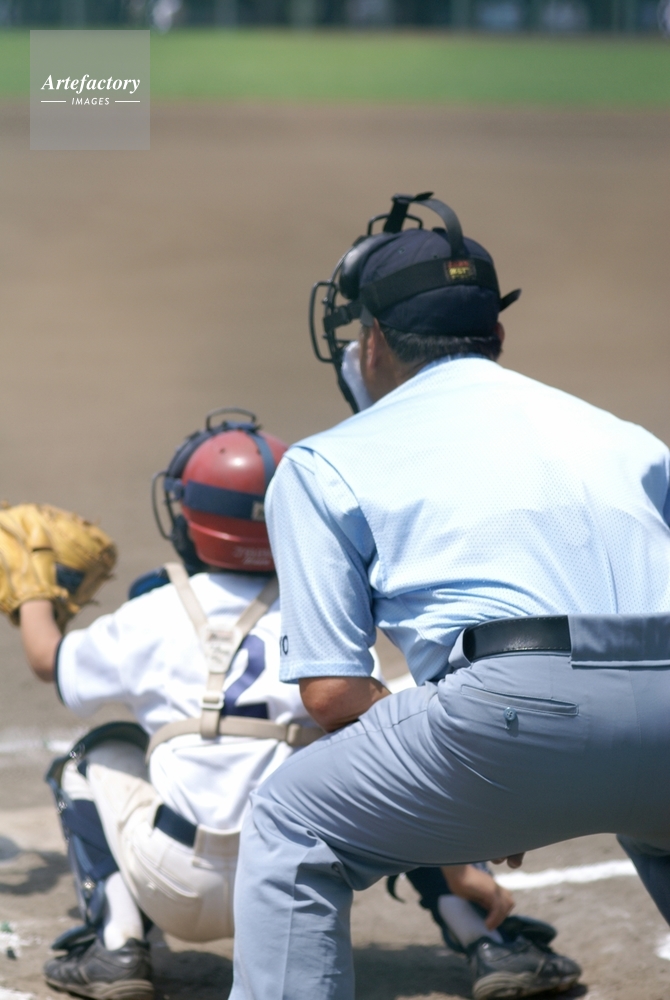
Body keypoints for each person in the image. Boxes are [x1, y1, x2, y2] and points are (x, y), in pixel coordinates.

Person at [229, 192, 670, 1000]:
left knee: (290, 822)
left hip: (510, 716)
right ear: (496, 333)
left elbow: (332, 695)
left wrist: (487, 794)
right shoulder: (628, 438)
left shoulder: (325, 462)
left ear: (372, 342)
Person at [12, 406, 554, 1000]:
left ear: (190, 519)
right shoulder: (325, 614)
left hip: (173, 882)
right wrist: (460, 861)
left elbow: (49, 660)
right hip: (297, 880)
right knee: (394, 749)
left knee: (96, 754)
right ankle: (488, 939)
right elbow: (381, 734)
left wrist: (35, 596)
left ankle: (115, 946)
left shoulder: (151, 612)